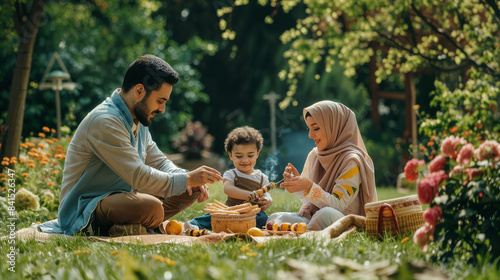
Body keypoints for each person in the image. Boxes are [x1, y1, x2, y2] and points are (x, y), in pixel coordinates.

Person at [38, 54, 222, 236]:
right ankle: (134, 222)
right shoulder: (105, 121)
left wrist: (187, 177)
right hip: (87, 207)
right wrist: (188, 179)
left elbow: (159, 162)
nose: (162, 110)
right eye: (160, 101)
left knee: (189, 190)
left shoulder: (138, 119)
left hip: (123, 198)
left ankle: (131, 225)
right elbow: (139, 176)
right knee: (152, 207)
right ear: (139, 91)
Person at [267, 100, 377, 230]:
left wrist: (309, 186)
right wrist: (299, 186)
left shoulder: (351, 160)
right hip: (315, 218)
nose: (310, 135)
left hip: (344, 221)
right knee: (275, 218)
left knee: (325, 214)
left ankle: (305, 233)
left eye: (316, 128)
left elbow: (337, 205)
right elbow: (310, 202)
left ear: (334, 127)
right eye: (309, 128)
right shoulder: (314, 155)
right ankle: (306, 231)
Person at [187, 126, 272, 230]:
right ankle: (195, 224)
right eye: (239, 156)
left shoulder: (262, 177)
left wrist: (268, 200)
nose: (245, 160)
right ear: (231, 155)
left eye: (250, 155)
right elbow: (228, 189)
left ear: (257, 154)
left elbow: (267, 193)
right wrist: (250, 195)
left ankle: (250, 227)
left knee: (264, 217)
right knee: (215, 216)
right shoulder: (231, 174)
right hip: (230, 211)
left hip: (252, 214)